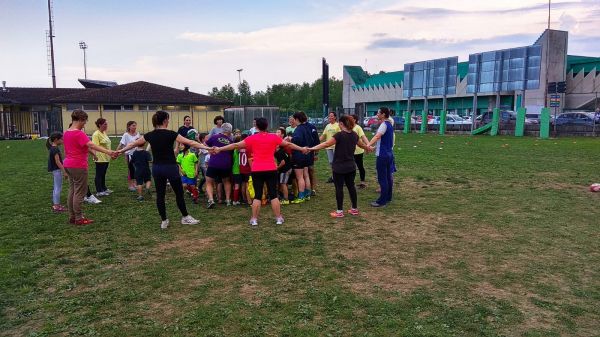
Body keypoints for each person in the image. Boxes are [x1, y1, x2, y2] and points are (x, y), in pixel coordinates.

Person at [118, 110, 212, 229]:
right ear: (164, 120)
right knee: (179, 193)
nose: (168, 121)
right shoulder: (172, 134)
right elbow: (190, 142)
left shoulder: (149, 135)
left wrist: (119, 151)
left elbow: (132, 144)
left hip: (157, 168)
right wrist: (207, 148)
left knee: (160, 195)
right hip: (170, 168)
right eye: (168, 119)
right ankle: (185, 217)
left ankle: (164, 221)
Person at [214, 117, 306, 226]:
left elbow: (235, 145)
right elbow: (289, 145)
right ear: (267, 126)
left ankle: (254, 219)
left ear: (256, 126)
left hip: (257, 170)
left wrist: (219, 149)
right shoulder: (273, 137)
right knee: (273, 195)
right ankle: (278, 218)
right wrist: (302, 149)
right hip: (271, 169)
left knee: (257, 196)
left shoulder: (252, 138)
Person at [309, 115, 371, 217]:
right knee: (351, 187)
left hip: (339, 167)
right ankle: (354, 209)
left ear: (341, 124)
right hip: (351, 166)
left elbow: (326, 144)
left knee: (339, 188)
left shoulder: (339, 135)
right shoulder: (355, 135)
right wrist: (368, 148)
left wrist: (311, 149)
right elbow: (361, 145)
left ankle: (339, 212)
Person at [63, 109, 116, 225]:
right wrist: (108, 152)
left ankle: (72, 217)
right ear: (81, 120)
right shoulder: (78, 133)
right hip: (78, 166)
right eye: (84, 122)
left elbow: (81, 146)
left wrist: (93, 154)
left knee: (72, 190)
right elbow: (91, 144)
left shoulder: (66, 132)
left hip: (68, 164)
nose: (84, 124)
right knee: (79, 192)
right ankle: (78, 218)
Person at [367, 107, 397, 207]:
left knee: (382, 178)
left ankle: (381, 201)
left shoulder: (384, 124)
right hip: (389, 154)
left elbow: (377, 137)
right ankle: (388, 197)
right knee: (388, 177)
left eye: (378, 113)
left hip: (382, 156)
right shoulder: (390, 125)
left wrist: (368, 145)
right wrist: (375, 146)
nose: (377, 114)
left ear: (383, 114)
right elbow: (386, 141)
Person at [290, 111, 319, 203]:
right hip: (308, 155)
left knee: (300, 177)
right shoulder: (308, 127)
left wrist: (291, 139)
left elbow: (297, 140)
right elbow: (313, 140)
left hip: (299, 155)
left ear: (296, 119)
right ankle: (307, 194)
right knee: (306, 175)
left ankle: (301, 196)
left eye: (294, 119)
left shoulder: (298, 129)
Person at [205, 122, 234, 208]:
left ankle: (211, 200)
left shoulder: (214, 137)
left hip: (214, 163)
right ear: (230, 131)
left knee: (209, 182)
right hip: (226, 164)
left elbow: (206, 144)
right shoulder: (230, 141)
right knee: (226, 181)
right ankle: (228, 200)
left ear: (222, 129)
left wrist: (209, 150)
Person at [117, 121, 141, 192]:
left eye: (135, 125)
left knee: (137, 169)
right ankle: (130, 185)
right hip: (129, 155)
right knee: (131, 170)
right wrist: (116, 151)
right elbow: (121, 144)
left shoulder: (138, 134)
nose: (135, 127)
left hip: (137, 154)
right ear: (129, 126)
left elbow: (140, 143)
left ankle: (135, 184)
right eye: (133, 125)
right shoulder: (126, 135)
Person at [92, 118, 112, 197]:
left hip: (106, 157)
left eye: (106, 124)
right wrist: (94, 155)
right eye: (105, 124)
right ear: (100, 125)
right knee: (99, 174)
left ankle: (104, 188)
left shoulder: (104, 132)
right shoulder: (96, 134)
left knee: (103, 174)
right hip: (99, 157)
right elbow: (94, 146)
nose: (106, 126)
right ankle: (99, 190)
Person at [47, 132, 67, 212]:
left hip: (56, 170)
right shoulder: (55, 149)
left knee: (56, 187)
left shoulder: (53, 148)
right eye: (61, 139)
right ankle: (57, 206)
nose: (62, 141)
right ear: (56, 140)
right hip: (57, 170)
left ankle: (56, 204)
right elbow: (58, 162)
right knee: (58, 188)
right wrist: (64, 171)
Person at [320, 112, 340, 183]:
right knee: (331, 162)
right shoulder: (327, 126)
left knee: (337, 162)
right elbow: (323, 136)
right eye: (329, 116)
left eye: (332, 116)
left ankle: (339, 177)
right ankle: (333, 177)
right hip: (328, 147)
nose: (330, 117)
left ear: (335, 117)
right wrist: (316, 141)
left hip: (336, 147)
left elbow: (340, 136)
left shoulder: (338, 125)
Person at [350, 114, 369, 189]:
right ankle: (351, 182)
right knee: (351, 167)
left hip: (358, 151)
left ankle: (362, 182)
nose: (349, 119)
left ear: (354, 120)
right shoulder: (348, 127)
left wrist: (367, 146)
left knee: (360, 166)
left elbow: (363, 137)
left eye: (351, 118)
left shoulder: (358, 128)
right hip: (350, 151)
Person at [275, 127, 292, 205]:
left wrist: (277, 168)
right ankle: (283, 197)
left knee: (283, 183)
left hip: (285, 169)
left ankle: (286, 199)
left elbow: (283, 162)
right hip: (286, 168)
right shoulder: (281, 150)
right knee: (282, 183)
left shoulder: (280, 152)